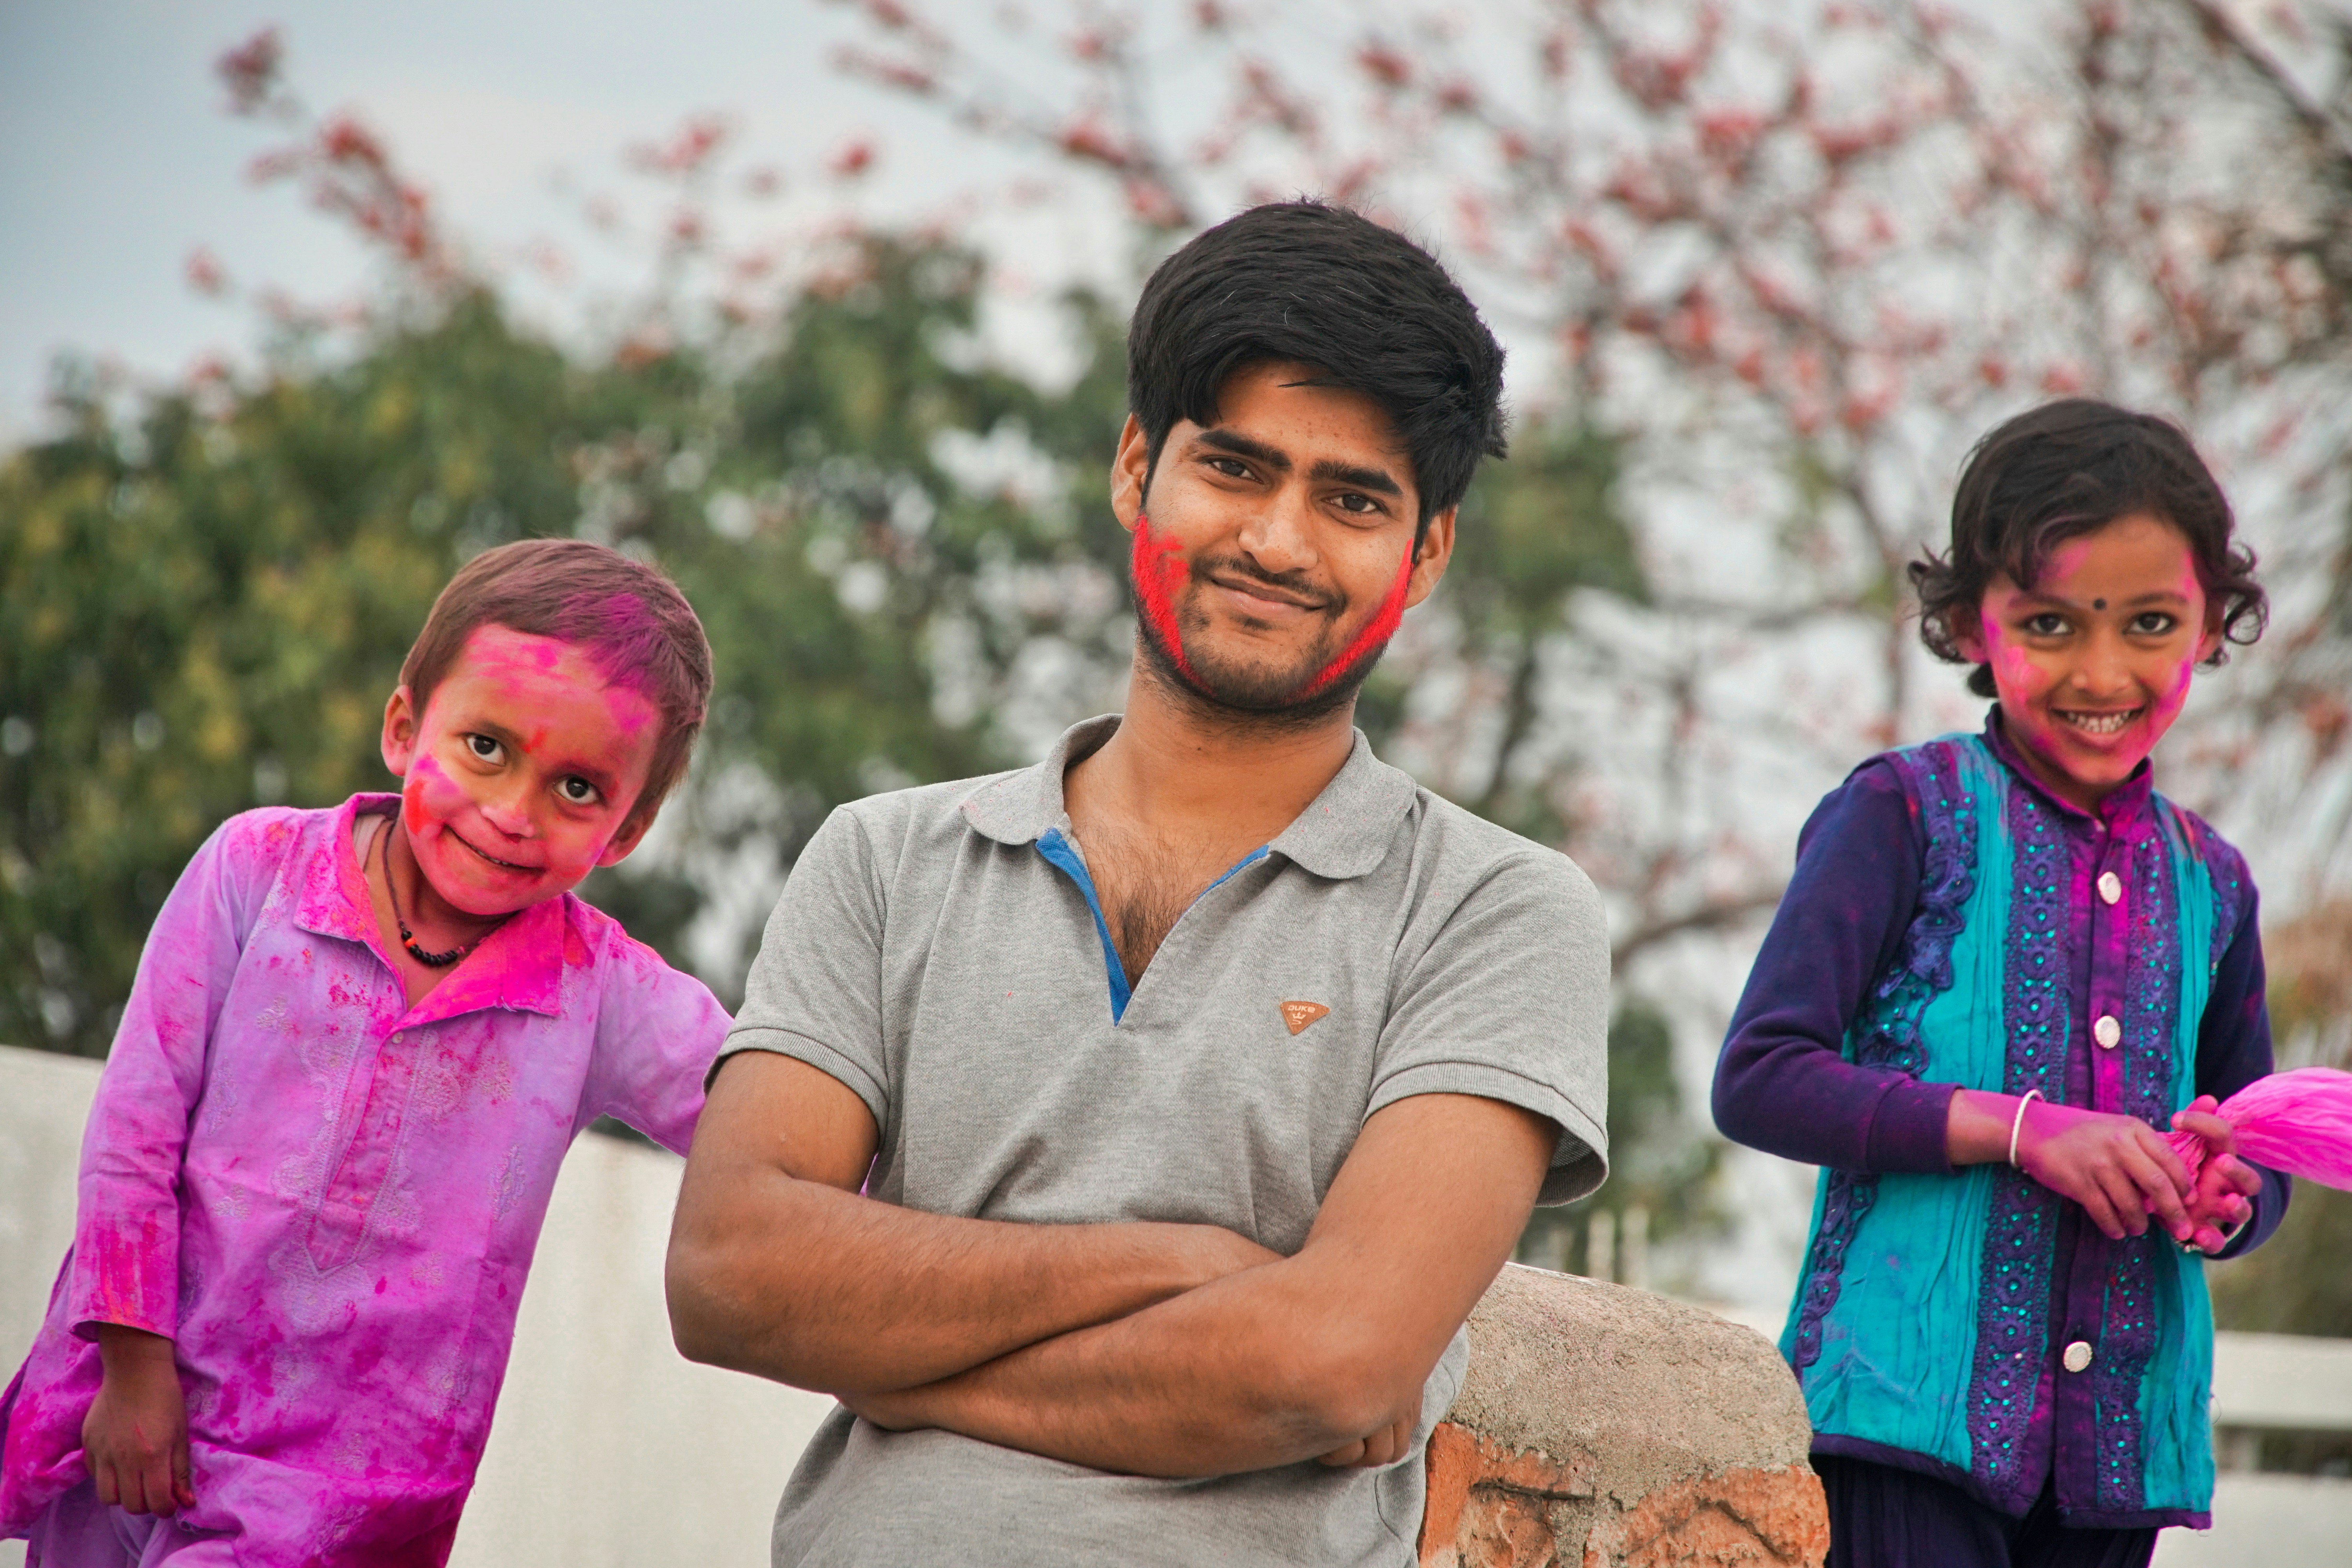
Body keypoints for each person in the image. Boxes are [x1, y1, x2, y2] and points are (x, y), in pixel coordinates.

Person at [665, 200, 1611, 1567]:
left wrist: (889, 1360)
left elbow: (1328, 1365)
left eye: (1354, 500)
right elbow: (729, 1275)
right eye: (1236, 467)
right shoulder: (884, 857)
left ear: (1429, 552)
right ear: (1133, 469)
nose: (1279, 544)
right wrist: (1180, 1265)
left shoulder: (1495, 909)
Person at [0, 539, 732, 1566]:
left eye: (576, 789)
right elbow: (135, 1130)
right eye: (484, 747)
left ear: (629, 827)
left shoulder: (605, 994)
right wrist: (131, 1370)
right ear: (404, 727)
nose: (512, 813)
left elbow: (775, 1114)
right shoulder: (255, 873)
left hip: (344, 1499)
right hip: (131, 1414)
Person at [1712, 399, 2285, 1568]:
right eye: (2051, 623)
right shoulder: (1900, 814)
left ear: (2211, 627)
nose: (2104, 669)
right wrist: (2024, 1132)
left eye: (2149, 622)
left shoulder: (2214, 883)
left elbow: (2256, 1145)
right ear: (1973, 623)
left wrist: (2230, 1198)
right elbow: (1760, 1078)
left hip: (2115, 1465)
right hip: (1899, 1433)